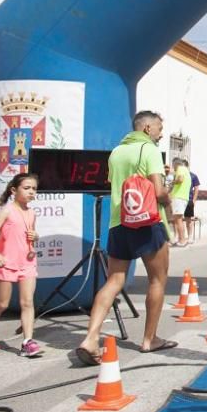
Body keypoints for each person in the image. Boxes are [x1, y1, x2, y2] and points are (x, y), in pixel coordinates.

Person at [75, 110, 176, 365]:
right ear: (147, 129)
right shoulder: (150, 149)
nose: (160, 134)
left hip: (119, 222)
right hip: (148, 222)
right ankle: (149, 339)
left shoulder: (116, 152)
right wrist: (169, 193)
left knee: (113, 281)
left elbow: (117, 183)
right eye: (159, 129)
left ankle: (90, 337)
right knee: (157, 280)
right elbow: (157, 191)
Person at [0, 173, 43, 357]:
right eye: (27, 188)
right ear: (14, 190)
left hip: (28, 263)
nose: (31, 192)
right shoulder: (7, 210)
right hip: (7, 263)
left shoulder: (32, 213)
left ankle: (27, 341)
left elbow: (29, 235)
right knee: (1, 304)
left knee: (27, 302)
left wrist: (35, 236)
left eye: (34, 189)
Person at [169, 157, 191, 247]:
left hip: (179, 197)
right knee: (178, 219)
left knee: (178, 220)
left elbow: (180, 179)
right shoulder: (186, 171)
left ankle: (182, 240)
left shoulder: (180, 169)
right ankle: (180, 239)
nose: (173, 168)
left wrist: (172, 182)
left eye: (173, 166)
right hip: (182, 197)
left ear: (176, 164)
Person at [183, 161, 200, 244]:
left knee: (189, 219)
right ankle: (182, 237)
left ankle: (190, 236)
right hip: (180, 200)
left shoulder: (193, 176)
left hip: (189, 200)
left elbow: (196, 188)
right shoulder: (179, 176)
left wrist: (194, 200)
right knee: (181, 219)